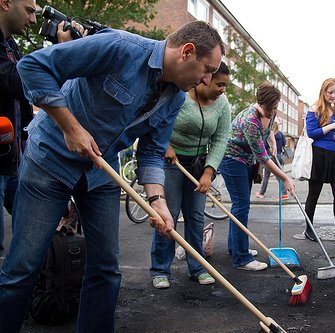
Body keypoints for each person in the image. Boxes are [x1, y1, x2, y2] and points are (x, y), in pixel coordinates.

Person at [0, 21, 224, 333]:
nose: (207, 79)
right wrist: (70, 127)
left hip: (100, 169)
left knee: (106, 269)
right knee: (23, 269)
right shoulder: (119, 47)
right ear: (187, 52)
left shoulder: (174, 98)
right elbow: (33, 66)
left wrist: (157, 201)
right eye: (208, 69)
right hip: (49, 159)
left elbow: (150, 152)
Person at [150, 61, 231, 289]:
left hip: (198, 165)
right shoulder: (182, 95)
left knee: (195, 217)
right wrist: (165, 144)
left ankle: (198, 268)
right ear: (206, 79)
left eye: (226, 85)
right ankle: (160, 269)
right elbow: (159, 120)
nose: (222, 89)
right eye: (220, 84)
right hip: (171, 161)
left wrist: (209, 171)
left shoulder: (222, 104)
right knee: (170, 216)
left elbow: (221, 138)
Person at [219, 82, 295, 271]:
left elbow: (268, 131)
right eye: (270, 108)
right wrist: (284, 177)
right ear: (260, 103)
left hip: (246, 160)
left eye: (276, 107)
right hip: (231, 158)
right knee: (241, 205)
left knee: (240, 206)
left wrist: (271, 141)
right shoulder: (249, 120)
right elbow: (263, 158)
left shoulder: (271, 113)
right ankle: (241, 258)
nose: (273, 111)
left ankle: (235, 247)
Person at [0, 0, 37, 259]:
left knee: (31, 223)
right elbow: (17, 81)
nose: (34, 19)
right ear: (5, 3)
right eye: (29, 10)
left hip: (12, 155)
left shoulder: (10, 45)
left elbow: (26, 96)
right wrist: (62, 51)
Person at [304, 78, 335, 245]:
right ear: (323, 92)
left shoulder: (333, 109)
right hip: (319, 154)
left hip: (333, 154)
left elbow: (328, 134)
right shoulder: (315, 108)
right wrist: (332, 126)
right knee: (314, 193)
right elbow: (312, 133)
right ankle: (308, 229)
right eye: (330, 92)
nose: (333, 95)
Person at [255, 123, 289, 200]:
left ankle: (262, 193)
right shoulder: (281, 134)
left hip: (271, 157)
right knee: (279, 175)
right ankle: (283, 193)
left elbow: (265, 145)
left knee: (267, 176)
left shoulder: (270, 136)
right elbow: (284, 144)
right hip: (279, 156)